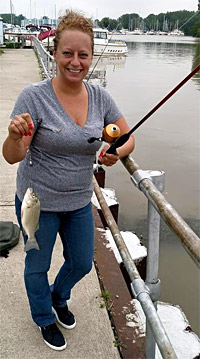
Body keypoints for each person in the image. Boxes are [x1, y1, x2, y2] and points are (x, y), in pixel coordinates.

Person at [2, 9, 135, 351]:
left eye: (83, 55)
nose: (75, 62)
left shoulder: (100, 97)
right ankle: (44, 318)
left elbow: (128, 136)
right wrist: (15, 135)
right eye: (67, 53)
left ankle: (58, 297)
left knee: (79, 261)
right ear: (55, 52)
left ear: (91, 57)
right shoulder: (34, 96)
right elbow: (12, 155)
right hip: (38, 201)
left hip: (78, 200)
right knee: (38, 262)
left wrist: (116, 152)